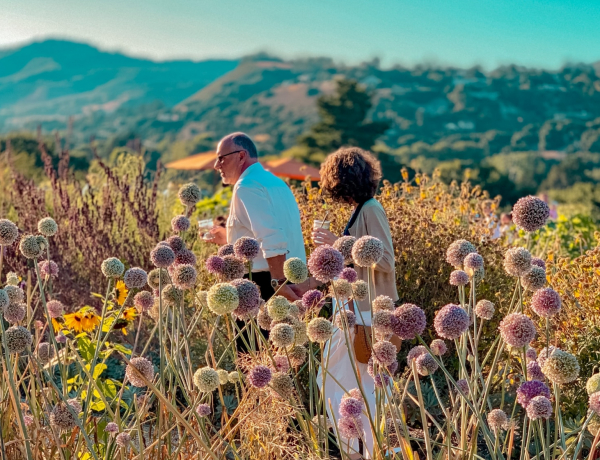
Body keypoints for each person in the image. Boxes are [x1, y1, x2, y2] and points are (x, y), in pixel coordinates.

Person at [310, 147, 400, 459]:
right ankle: (358, 448)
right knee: (338, 380)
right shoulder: (362, 208)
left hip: (365, 314)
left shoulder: (371, 209)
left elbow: (385, 259)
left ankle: (362, 449)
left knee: (356, 384)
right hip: (353, 311)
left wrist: (339, 244)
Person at [205, 132, 305, 301]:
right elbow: (278, 230)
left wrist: (278, 283)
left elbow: (271, 236)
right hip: (293, 277)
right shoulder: (275, 182)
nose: (216, 165)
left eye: (221, 158)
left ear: (241, 156)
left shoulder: (246, 186)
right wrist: (229, 237)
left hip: (264, 283)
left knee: (254, 329)